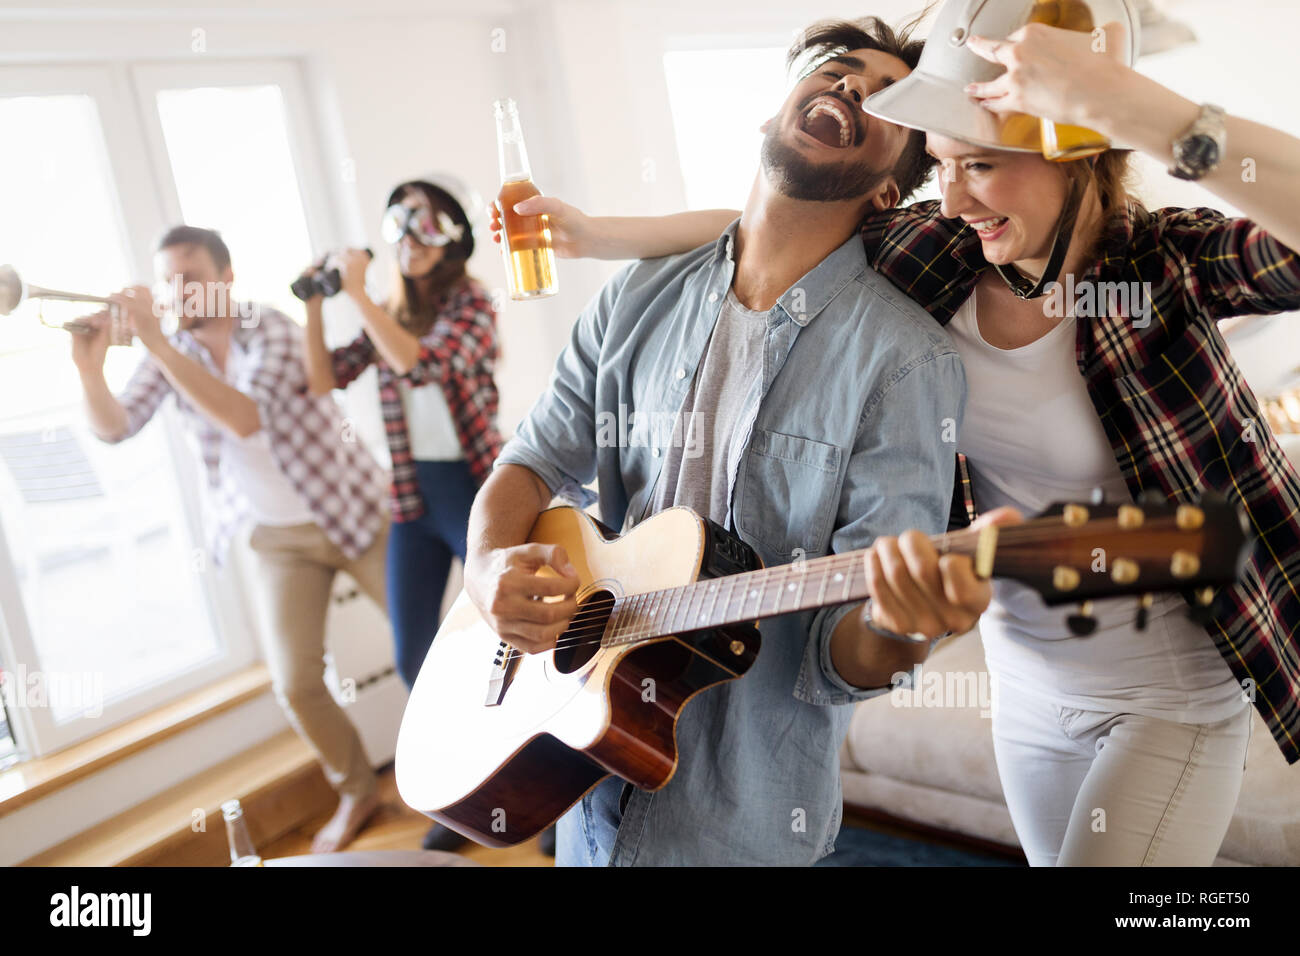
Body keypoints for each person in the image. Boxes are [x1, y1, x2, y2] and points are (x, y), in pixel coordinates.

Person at [495, 1, 1300, 865]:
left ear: (1079, 161)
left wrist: (1145, 108)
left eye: (981, 165)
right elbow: (773, 228)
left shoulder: (1165, 264)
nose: (951, 197)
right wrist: (599, 237)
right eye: (944, 166)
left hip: (1171, 690)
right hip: (1031, 689)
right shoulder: (943, 254)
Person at [465, 15, 1007, 866]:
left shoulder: (906, 364)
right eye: (836, 69)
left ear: (888, 193)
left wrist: (906, 627)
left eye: (887, 96)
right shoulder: (633, 298)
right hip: (581, 784)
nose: (851, 87)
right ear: (772, 112)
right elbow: (530, 465)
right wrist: (487, 566)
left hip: (745, 824)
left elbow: (844, 653)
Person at [72, 226, 391, 854]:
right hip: (276, 539)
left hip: (354, 512)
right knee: (295, 683)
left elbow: (245, 417)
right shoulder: (174, 349)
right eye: (166, 278)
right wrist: (90, 369)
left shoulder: (268, 326)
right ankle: (359, 791)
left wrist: (160, 344)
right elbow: (116, 427)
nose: (175, 290)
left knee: (426, 647)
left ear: (225, 278)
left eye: (189, 276)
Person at [300, 176, 503, 851]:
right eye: (402, 221)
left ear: (453, 238)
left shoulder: (472, 304)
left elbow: (420, 365)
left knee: (516, 649)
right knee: (416, 662)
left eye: (428, 223)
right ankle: (471, 803)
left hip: (479, 490)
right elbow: (324, 379)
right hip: (414, 498)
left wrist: (357, 294)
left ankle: (551, 796)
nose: (411, 237)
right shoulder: (386, 308)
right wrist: (314, 304)